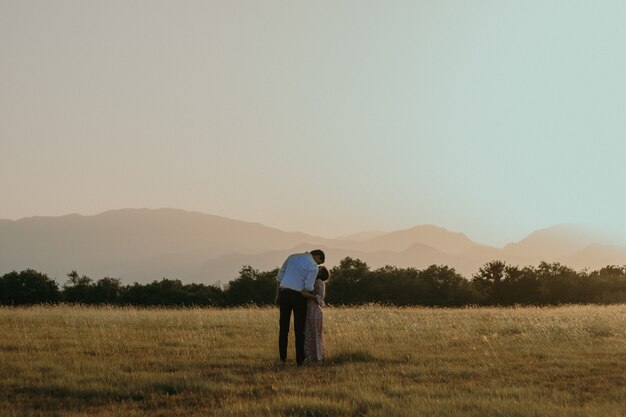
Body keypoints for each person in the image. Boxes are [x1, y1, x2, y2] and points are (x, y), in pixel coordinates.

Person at [275, 249, 325, 366]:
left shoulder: (292, 256)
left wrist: (277, 295)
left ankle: (282, 359)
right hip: (298, 296)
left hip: (284, 294)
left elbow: (279, 277)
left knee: (283, 328)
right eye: (319, 262)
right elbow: (308, 286)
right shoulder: (312, 265)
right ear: (317, 256)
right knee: (299, 330)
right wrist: (314, 296)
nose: (318, 266)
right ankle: (299, 360)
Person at [302, 266, 329, 362]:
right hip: (311, 310)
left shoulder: (318, 282)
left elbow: (320, 299)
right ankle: (312, 356)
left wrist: (307, 295)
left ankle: (317, 357)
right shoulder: (314, 281)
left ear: (321, 272)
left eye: (319, 268)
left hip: (314, 311)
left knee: (314, 334)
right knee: (311, 334)